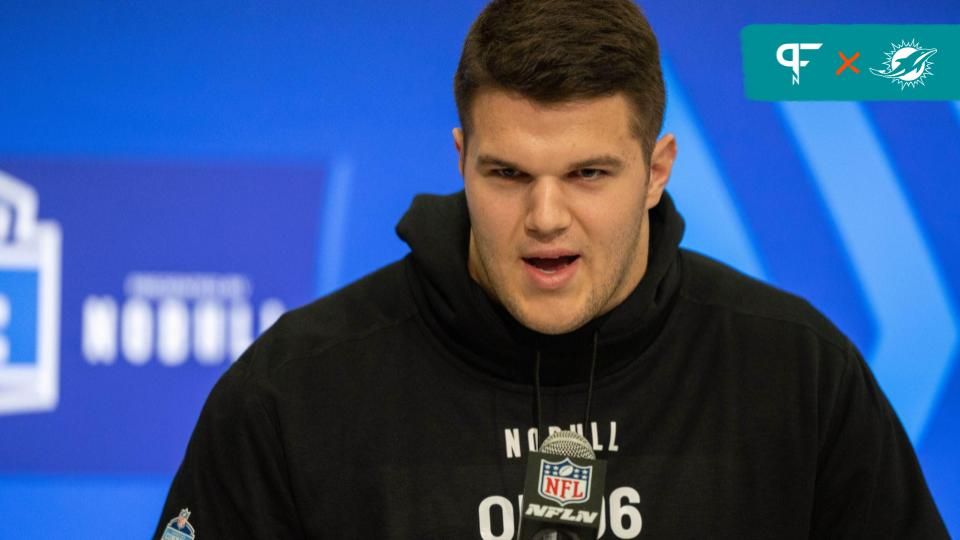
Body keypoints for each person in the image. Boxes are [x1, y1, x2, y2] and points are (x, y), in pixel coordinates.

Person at [155, 0, 948, 538]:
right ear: (462, 159)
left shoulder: (797, 371)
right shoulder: (295, 390)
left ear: (657, 170)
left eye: (588, 175)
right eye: (506, 175)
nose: (544, 218)